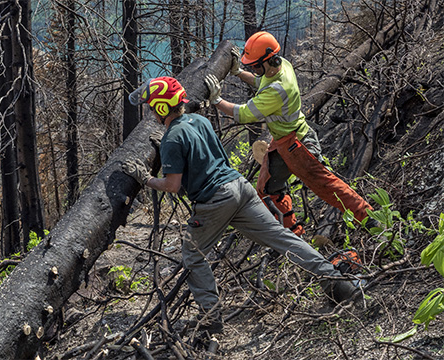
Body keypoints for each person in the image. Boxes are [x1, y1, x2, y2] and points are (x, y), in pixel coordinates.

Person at [123, 76, 361, 334]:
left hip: (215, 200)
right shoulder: (200, 121)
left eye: (151, 106)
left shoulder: (172, 137)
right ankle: (338, 283)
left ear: (160, 108)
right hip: (240, 188)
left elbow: (171, 185)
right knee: (282, 238)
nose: (149, 111)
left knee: (192, 255)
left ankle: (211, 320)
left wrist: (145, 179)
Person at [205, 31, 375, 236]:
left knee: (328, 187)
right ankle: (293, 235)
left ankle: (371, 220)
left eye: (256, 66)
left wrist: (216, 100)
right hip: (284, 142)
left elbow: (243, 113)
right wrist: (239, 72)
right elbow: (261, 82)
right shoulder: (280, 65)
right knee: (267, 189)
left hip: (299, 145)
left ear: (268, 61)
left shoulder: (278, 89)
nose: (254, 70)